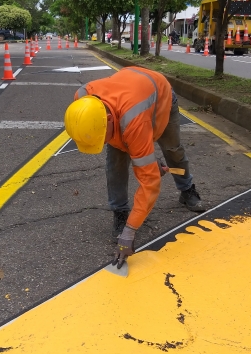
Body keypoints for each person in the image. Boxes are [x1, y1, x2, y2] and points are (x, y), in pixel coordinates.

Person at [64, 67, 205, 269]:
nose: (103, 143)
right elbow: (123, 142)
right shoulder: (83, 101)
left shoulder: (134, 120)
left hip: (160, 98)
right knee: (115, 163)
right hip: (131, 97)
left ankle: (187, 189)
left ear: (109, 120)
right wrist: (145, 161)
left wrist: (130, 232)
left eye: (103, 138)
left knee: (172, 148)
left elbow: (150, 183)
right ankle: (120, 212)